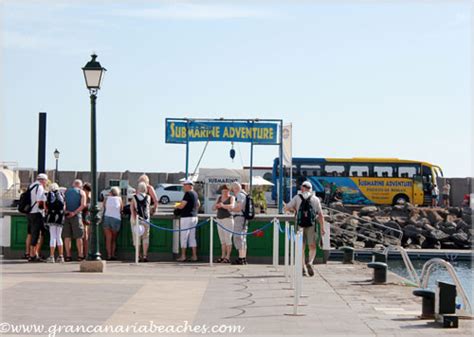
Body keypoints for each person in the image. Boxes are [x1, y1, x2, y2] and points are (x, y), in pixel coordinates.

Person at [284, 181, 325, 277]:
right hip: (312, 225)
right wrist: (322, 228)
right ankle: (310, 262)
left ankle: (302, 267)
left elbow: (286, 208)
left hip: (300, 225)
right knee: (312, 246)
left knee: (301, 247)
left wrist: (295, 210)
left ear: (302, 188)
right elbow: (321, 215)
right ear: (310, 189)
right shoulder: (315, 199)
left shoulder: (297, 197)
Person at [175, 180, 200, 262]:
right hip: (194, 217)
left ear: (188, 186)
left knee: (184, 236)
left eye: (184, 185)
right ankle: (194, 256)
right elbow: (198, 204)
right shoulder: (195, 194)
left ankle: (183, 256)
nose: (183, 187)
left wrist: (176, 206)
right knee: (192, 237)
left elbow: (182, 206)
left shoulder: (187, 194)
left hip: (186, 217)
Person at [63, 179, 86, 261]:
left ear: (73, 184)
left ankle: (68, 255)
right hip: (76, 216)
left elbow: (63, 203)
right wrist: (74, 212)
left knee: (67, 236)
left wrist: (66, 211)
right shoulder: (81, 192)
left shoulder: (66, 191)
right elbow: (83, 205)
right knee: (79, 236)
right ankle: (80, 255)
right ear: (80, 185)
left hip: (66, 215)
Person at [26, 173, 48, 262]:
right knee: (36, 234)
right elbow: (39, 201)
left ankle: (30, 253)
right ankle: (33, 255)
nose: (46, 183)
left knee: (31, 233)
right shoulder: (39, 187)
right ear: (43, 180)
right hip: (37, 213)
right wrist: (44, 208)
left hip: (29, 212)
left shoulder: (31, 186)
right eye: (46, 181)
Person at [213, 184, 235, 263]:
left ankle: (227, 257)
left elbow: (232, 206)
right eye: (223, 191)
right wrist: (216, 206)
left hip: (228, 219)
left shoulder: (231, 197)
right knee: (222, 240)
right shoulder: (219, 198)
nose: (225, 193)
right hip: (219, 220)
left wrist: (223, 205)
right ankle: (222, 256)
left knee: (228, 239)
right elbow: (213, 208)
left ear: (229, 191)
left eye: (226, 191)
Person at [131, 182, 151, 262]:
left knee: (137, 238)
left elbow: (132, 209)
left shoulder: (134, 197)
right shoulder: (148, 197)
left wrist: (133, 218)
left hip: (136, 219)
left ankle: (138, 256)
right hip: (146, 220)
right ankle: (145, 256)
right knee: (145, 238)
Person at [45, 183, 65, 263]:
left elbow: (46, 206)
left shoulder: (49, 194)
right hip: (60, 217)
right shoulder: (61, 194)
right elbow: (64, 206)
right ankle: (61, 256)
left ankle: (52, 256)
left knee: (52, 236)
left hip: (51, 216)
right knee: (59, 237)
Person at [102, 187, 123, 260]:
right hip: (116, 219)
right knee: (114, 239)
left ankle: (109, 255)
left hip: (107, 217)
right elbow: (121, 209)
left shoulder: (106, 198)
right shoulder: (119, 199)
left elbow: (104, 207)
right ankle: (113, 254)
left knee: (108, 238)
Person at [231, 182, 248, 265]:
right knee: (243, 238)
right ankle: (243, 258)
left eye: (233, 189)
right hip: (244, 218)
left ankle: (241, 258)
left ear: (235, 188)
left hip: (239, 217)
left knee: (238, 237)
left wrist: (231, 209)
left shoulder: (239, 195)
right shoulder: (245, 194)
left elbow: (239, 208)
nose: (232, 191)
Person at [82, 183, 92, 258]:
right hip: (88, 217)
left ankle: (85, 253)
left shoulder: (85, 196)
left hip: (84, 217)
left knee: (85, 237)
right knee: (86, 236)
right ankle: (86, 253)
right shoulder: (91, 197)